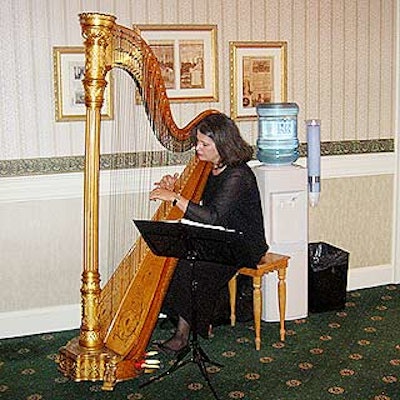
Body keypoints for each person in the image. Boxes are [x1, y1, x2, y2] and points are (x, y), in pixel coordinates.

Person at [149, 112, 269, 354]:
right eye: (197, 142)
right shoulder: (209, 168)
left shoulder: (238, 175)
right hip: (218, 236)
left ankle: (183, 335)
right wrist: (175, 187)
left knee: (192, 268)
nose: (197, 148)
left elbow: (214, 216)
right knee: (174, 260)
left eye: (204, 144)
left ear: (222, 145)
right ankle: (193, 321)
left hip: (242, 243)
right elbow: (198, 205)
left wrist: (174, 198)